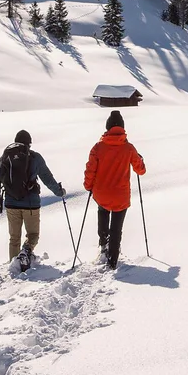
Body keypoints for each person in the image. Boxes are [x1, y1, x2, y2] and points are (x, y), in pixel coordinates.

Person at [0, 130, 65, 265]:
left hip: (11, 203)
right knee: (33, 235)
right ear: (29, 144)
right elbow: (47, 178)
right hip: (31, 204)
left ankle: (15, 265)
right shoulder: (35, 157)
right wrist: (59, 191)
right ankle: (26, 251)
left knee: (14, 238)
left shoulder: (5, 158)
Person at [84, 110, 146, 270]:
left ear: (108, 127)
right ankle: (112, 259)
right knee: (117, 227)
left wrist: (88, 186)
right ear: (122, 128)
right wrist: (140, 160)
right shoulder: (129, 148)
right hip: (120, 195)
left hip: (102, 193)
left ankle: (103, 243)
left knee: (103, 212)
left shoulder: (98, 147)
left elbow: (90, 170)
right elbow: (140, 170)